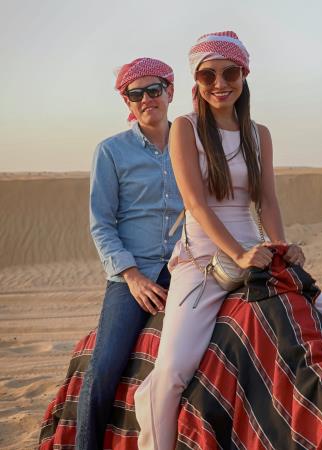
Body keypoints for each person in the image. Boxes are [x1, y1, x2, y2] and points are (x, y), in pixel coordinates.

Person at [134, 31, 322, 449]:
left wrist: (281, 246)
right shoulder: (185, 128)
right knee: (170, 373)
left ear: (244, 75)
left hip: (258, 254)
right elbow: (196, 204)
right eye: (209, 75)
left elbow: (268, 201)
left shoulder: (259, 134)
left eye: (230, 73)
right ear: (196, 82)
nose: (220, 83)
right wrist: (238, 253)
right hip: (205, 261)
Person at [76, 58, 183, 449]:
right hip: (132, 273)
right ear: (127, 101)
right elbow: (101, 224)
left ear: (169, 91)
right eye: (135, 94)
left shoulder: (192, 144)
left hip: (184, 266)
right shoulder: (111, 152)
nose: (146, 99)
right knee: (104, 368)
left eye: (153, 90)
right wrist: (133, 276)